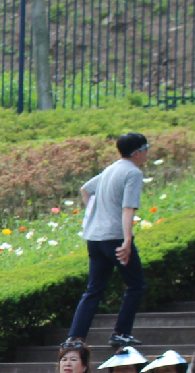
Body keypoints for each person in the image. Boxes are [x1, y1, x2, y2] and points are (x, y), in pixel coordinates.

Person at [65, 131, 150, 350]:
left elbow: (86, 189)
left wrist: (96, 215)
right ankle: (121, 333)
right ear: (137, 152)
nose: (148, 153)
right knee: (136, 284)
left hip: (94, 237)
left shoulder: (111, 168)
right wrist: (127, 240)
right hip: (114, 236)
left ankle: (75, 337)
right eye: (145, 148)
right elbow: (128, 208)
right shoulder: (133, 173)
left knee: (94, 289)